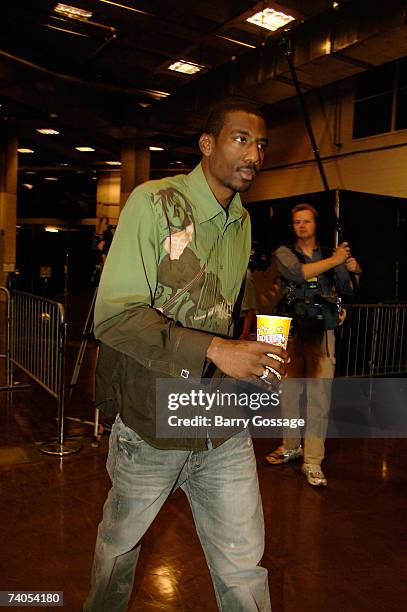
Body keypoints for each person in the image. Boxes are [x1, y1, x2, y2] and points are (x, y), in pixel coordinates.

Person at [84, 99, 289, 612]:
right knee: (119, 547)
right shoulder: (153, 203)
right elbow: (114, 317)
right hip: (152, 420)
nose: (254, 153)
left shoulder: (240, 221)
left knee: (244, 566)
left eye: (261, 144)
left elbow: (222, 310)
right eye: (241, 139)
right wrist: (217, 350)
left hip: (222, 422)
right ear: (207, 143)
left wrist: (255, 352)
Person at [265, 203, 362, 486]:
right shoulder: (284, 253)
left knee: (319, 398)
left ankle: (313, 460)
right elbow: (297, 274)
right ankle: (291, 445)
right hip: (292, 334)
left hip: (322, 333)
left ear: (315, 224)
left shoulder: (330, 255)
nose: (302, 226)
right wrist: (335, 260)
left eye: (307, 221)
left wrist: (353, 269)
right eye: (297, 222)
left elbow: (347, 289)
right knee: (290, 395)